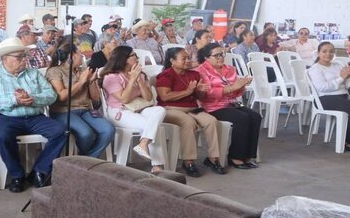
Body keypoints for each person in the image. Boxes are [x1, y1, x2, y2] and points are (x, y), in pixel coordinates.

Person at [0, 38, 66, 193]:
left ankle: (40, 170)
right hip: (6, 117)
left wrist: (33, 99)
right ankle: (17, 175)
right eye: (19, 57)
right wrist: (14, 100)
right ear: (5, 59)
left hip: (34, 117)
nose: (24, 60)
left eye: (24, 56)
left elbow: (51, 95)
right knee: (2, 135)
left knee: (61, 131)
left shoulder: (33, 73)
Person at [156, 47, 224, 176]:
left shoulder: (193, 74)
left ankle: (213, 158)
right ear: (172, 61)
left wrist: (200, 91)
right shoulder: (166, 75)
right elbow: (164, 96)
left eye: (188, 58)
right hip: (170, 109)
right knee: (188, 122)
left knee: (211, 121)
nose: (188, 61)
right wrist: (188, 91)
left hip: (192, 109)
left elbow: (199, 97)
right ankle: (188, 161)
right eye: (184, 59)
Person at [101, 46, 167, 172]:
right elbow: (124, 99)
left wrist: (140, 80)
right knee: (152, 126)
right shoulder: (111, 77)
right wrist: (132, 80)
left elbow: (148, 98)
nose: (137, 58)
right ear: (124, 59)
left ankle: (143, 143)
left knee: (160, 110)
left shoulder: (140, 74)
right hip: (119, 111)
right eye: (133, 55)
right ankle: (157, 166)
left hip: (139, 108)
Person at [195, 43, 260, 169]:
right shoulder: (201, 71)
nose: (221, 57)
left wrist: (241, 85)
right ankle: (235, 157)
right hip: (213, 107)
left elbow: (236, 93)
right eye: (217, 55)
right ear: (207, 57)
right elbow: (207, 94)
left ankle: (248, 156)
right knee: (242, 118)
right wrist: (231, 88)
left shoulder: (230, 69)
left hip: (231, 104)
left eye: (222, 54)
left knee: (255, 117)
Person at [45, 42, 113, 158]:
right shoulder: (55, 71)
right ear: (72, 56)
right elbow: (61, 97)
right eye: (80, 53)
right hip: (63, 111)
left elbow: (95, 98)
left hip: (85, 110)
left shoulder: (83, 71)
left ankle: (86, 159)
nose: (82, 55)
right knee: (86, 133)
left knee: (108, 130)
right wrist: (81, 82)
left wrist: (91, 82)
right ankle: (85, 161)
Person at [307, 42, 350, 151]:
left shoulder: (337, 65)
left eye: (331, 51)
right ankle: (349, 142)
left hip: (343, 95)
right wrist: (341, 78)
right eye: (324, 51)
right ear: (318, 53)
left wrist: (348, 77)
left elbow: (347, 84)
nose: (328, 54)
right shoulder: (315, 69)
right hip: (325, 98)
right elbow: (323, 88)